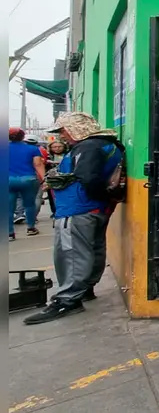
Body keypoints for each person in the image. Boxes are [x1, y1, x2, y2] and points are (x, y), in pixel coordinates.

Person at [24, 113, 125, 325]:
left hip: (79, 208)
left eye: (64, 131)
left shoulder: (88, 147)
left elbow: (88, 178)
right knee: (93, 248)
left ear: (77, 128)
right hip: (95, 209)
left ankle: (67, 299)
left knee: (71, 253)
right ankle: (84, 289)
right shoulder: (108, 145)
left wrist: (98, 197)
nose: (62, 136)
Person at [8, 127, 45, 240]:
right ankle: (31, 228)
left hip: (8, 179)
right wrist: (44, 178)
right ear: (23, 136)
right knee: (29, 204)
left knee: (8, 207)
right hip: (28, 179)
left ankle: (9, 233)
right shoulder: (32, 149)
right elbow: (38, 164)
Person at [44, 140, 69, 215]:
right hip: (52, 179)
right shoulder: (48, 156)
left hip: (65, 178)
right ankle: (54, 211)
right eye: (54, 147)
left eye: (59, 147)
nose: (57, 148)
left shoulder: (68, 155)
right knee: (52, 196)